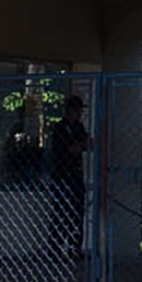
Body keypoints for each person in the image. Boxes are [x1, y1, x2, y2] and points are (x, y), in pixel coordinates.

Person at [47, 94, 90, 257]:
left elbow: (86, 143)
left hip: (76, 175)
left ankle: (74, 248)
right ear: (70, 110)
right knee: (61, 212)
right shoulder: (60, 128)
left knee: (77, 213)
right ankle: (55, 248)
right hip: (62, 176)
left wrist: (81, 145)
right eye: (77, 110)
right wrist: (76, 146)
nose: (79, 113)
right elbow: (67, 149)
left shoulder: (78, 127)